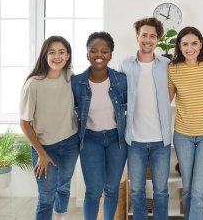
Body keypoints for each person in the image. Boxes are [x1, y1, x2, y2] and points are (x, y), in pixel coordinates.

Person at [19, 36, 79, 220]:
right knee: (46, 197)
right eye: (52, 52)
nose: (57, 56)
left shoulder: (71, 77)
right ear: (45, 55)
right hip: (44, 148)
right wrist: (42, 154)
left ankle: (59, 218)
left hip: (70, 143)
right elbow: (25, 123)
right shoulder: (33, 84)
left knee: (64, 188)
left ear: (68, 55)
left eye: (61, 52)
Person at [118, 17, 172, 220]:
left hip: (161, 141)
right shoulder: (124, 65)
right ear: (137, 37)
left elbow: (178, 89)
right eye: (144, 35)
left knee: (161, 191)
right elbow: (117, 98)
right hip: (135, 141)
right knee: (136, 191)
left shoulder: (166, 65)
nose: (147, 40)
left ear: (158, 39)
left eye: (152, 36)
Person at [71, 32, 127, 220]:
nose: (98, 55)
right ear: (87, 54)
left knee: (111, 188)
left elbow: (131, 108)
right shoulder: (76, 82)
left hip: (116, 140)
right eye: (93, 51)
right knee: (94, 191)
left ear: (111, 54)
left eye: (104, 51)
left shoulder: (121, 80)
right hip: (90, 140)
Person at [168, 26, 203, 220]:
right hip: (183, 135)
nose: (190, 48)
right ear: (179, 47)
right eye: (185, 44)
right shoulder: (172, 68)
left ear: (201, 44)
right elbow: (167, 99)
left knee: (198, 190)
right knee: (188, 188)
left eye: (194, 43)